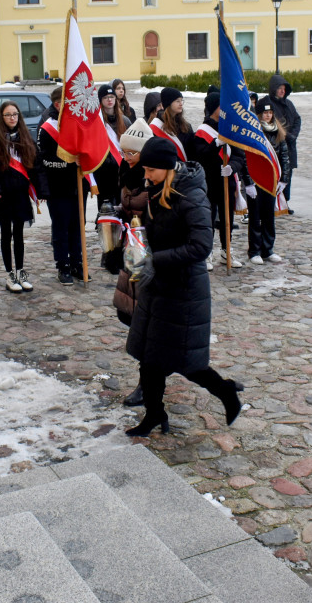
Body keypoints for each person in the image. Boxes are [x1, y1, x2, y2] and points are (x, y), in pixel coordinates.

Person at [124, 137, 244, 437]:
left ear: (167, 168)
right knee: (150, 358)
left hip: (184, 291)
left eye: (151, 169)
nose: (146, 175)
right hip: (159, 286)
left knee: (190, 363)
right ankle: (154, 414)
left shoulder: (191, 196)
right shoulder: (156, 191)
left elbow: (201, 246)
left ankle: (227, 393)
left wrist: (155, 260)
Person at [0, 100, 46, 292]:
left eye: (15, 114)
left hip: (20, 195)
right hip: (3, 195)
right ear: (2, 117)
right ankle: (9, 274)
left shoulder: (25, 137)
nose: (12, 118)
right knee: (5, 235)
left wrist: (41, 190)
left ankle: (21, 271)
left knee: (19, 234)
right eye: (8, 115)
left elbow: (36, 165)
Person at [115, 118, 153, 407]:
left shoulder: (152, 176)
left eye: (131, 153)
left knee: (146, 319)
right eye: (123, 152)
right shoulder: (124, 170)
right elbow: (127, 205)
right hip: (131, 249)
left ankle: (148, 380)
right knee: (130, 315)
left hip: (149, 254)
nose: (126, 157)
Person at [194, 91, 250, 269]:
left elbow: (240, 155)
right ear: (213, 108)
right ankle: (207, 252)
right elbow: (199, 157)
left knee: (227, 218)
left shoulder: (230, 128)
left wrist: (232, 167)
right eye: (221, 105)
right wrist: (214, 145)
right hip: (209, 182)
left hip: (227, 181)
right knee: (208, 219)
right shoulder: (202, 132)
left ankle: (227, 250)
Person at [37, 91, 85, 285]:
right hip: (57, 188)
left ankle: (77, 263)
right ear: (58, 105)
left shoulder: (73, 123)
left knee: (77, 228)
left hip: (76, 186)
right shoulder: (47, 128)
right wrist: (69, 163)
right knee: (61, 229)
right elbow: (45, 161)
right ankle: (63, 266)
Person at [247, 96, 290, 264]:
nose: (268, 116)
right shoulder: (254, 132)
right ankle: (254, 251)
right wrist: (248, 181)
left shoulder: (277, 132)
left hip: (272, 180)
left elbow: (284, 157)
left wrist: (284, 179)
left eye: (270, 112)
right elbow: (247, 158)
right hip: (257, 180)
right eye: (265, 112)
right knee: (255, 217)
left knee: (268, 217)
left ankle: (268, 248)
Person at [267, 74, 301, 210]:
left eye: (284, 89)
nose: (282, 91)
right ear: (274, 89)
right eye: (280, 88)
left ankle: (285, 201)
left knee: (288, 174)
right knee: (277, 173)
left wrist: (293, 135)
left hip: (290, 146)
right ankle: (275, 202)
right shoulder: (269, 104)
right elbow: (271, 122)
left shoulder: (289, 104)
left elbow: (297, 119)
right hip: (278, 145)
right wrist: (285, 135)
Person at [93, 85, 127, 209]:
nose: (109, 100)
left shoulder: (124, 121)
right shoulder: (96, 122)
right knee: (105, 206)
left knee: (121, 203)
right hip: (103, 171)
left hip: (121, 169)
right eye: (106, 97)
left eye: (112, 97)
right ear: (100, 100)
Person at [150, 88, 195, 162]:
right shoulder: (157, 126)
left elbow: (192, 152)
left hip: (184, 170)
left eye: (181, 100)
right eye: (177, 101)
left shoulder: (186, 126)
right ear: (168, 103)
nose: (181, 103)